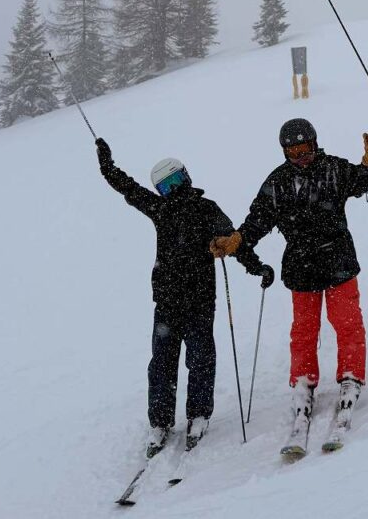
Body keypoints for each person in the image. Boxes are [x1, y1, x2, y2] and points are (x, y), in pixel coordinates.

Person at [95, 137, 272, 458]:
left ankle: (199, 415)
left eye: (177, 180)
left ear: (187, 177)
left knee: (200, 359)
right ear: (161, 191)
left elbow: (233, 242)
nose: (174, 189)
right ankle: (160, 422)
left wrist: (256, 266)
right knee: (161, 363)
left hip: (199, 300)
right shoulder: (160, 209)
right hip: (167, 301)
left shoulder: (206, 209)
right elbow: (128, 188)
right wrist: (107, 166)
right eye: (167, 186)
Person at [210, 119, 368, 445]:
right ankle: (303, 382)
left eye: (306, 150)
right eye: (294, 152)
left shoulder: (333, 169)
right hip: (302, 266)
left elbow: (362, 181)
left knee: (347, 322)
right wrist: (238, 240)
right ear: (284, 152)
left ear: (315, 144)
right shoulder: (278, 182)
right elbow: (257, 220)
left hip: (338, 260)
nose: (301, 157)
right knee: (303, 331)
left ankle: (350, 377)